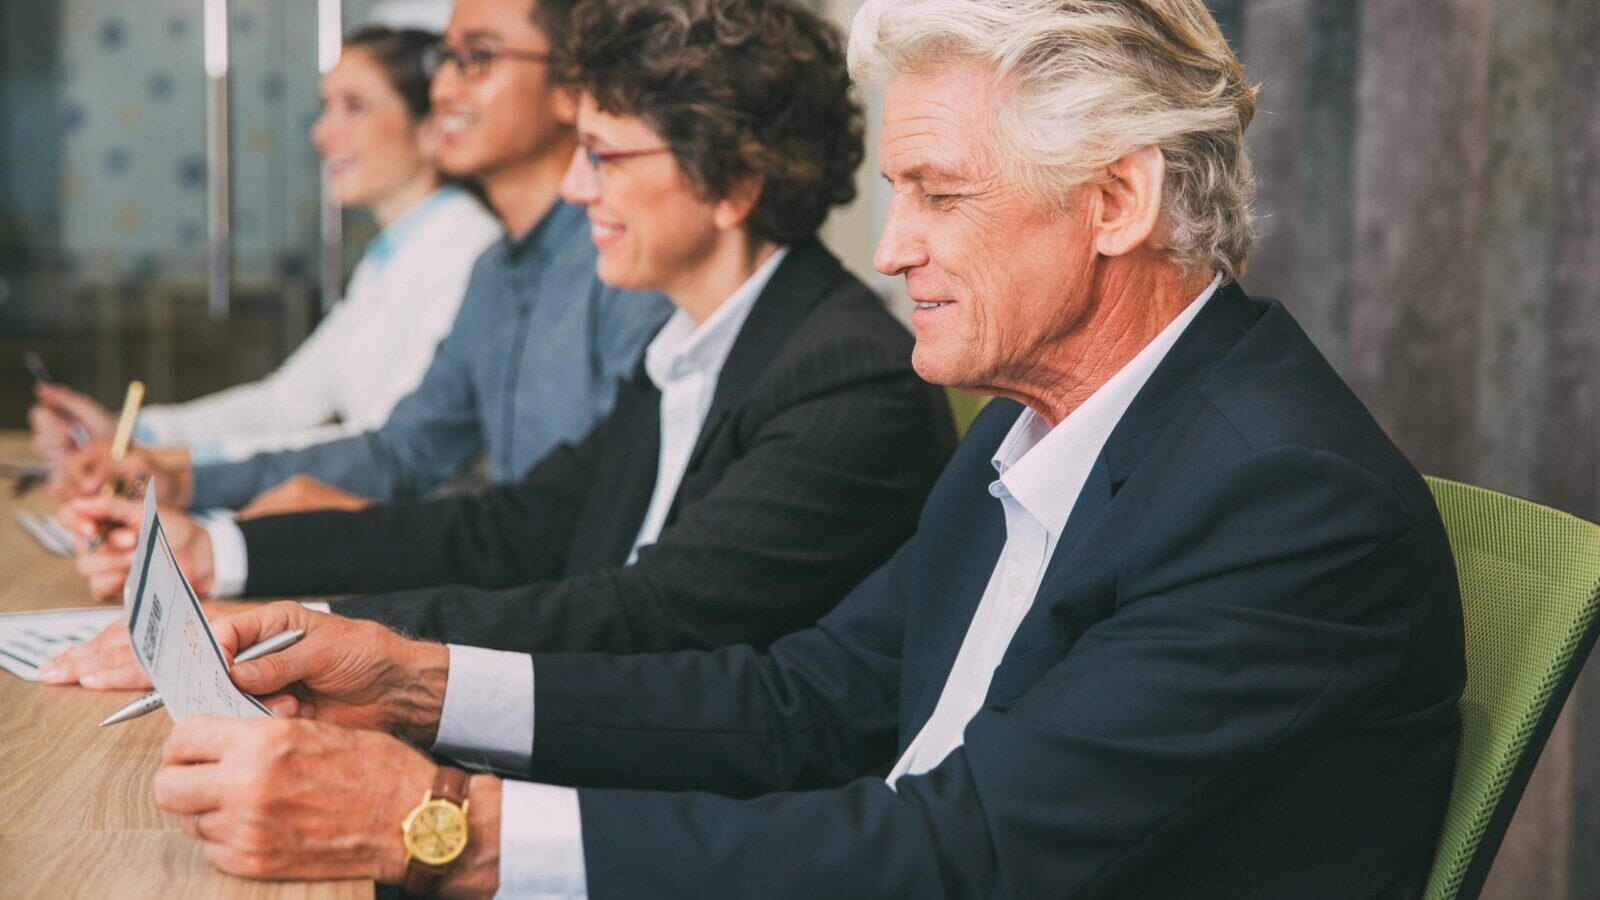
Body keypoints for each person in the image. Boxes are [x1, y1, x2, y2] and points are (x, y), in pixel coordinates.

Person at [135, 0, 1466, 896]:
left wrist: (443, 831)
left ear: (1119, 199)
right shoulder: (1040, 417)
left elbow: (961, 850)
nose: (892, 251)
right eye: (897, 192)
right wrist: (418, 683)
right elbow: (797, 702)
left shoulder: (1283, 500)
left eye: (941, 195)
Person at [46, 0, 952, 697]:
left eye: (602, 156)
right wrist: (223, 557)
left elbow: (648, 615)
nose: (573, 185)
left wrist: (312, 630)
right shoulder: (694, 343)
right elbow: (511, 527)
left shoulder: (842, 376)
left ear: (732, 181)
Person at [53, 0, 673, 514]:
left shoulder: (618, 261)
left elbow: (591, 528)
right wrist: (182, 476)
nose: (444, 87)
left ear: (571, 85)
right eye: (444, 61)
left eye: (476, 58)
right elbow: (399, 451)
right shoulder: (495, 272)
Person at [29, 27, 501, 468]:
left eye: (355, 107)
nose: (322, 133)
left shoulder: (466, 253)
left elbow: (383, 450)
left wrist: (172, 463)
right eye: (326, 106)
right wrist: (128, 432)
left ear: (431, 128)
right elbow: (283, 406)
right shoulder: (395, 255)